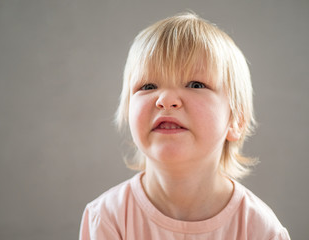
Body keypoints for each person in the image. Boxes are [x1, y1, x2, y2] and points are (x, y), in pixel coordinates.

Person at [79, 12, 290, 239]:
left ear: (235, 120)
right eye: (148, 86)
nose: (166, 100)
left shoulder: (261, 230)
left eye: (196, 84)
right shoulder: (107, 218)